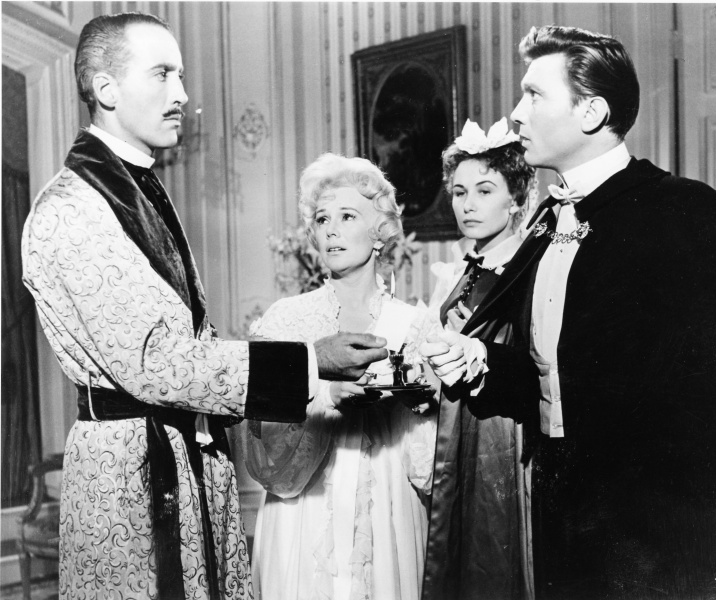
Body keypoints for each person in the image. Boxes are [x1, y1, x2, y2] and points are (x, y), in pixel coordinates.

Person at [21, 13, 386, 600]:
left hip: (178, 455)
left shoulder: (136, 188)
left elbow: (192, 340)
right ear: (106, 89)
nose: (183, 95)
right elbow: (155, 362)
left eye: (182, 75)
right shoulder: (72, 207)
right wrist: (309, 360)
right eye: (163, 74)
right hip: (129, 477)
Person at [422, 25, 716, 600]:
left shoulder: (691, 214)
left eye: (534, 95)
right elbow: (556, 378)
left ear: (592, 112)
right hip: (565, 518)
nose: (517, 114)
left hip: (665, 538)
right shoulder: (544, 226)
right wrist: (480, 363)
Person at [240, 153, 439, 600]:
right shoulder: (285, 320)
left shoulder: (415, 325)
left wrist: (426, 406)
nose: (331, 229)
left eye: (348, 216)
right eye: (322, 218)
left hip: (387, 510)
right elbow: (264, 456)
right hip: (303, 516)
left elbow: (430, 468)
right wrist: (325, 395)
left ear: (379, 231)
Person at [421, 118, 536, 600]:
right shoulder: (463, 269)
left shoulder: (528, 266)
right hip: (459, 425)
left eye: (484, 191)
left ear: (517, 199)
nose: (467, 204)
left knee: (493, 548)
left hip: (503, 433)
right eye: (459, 192)